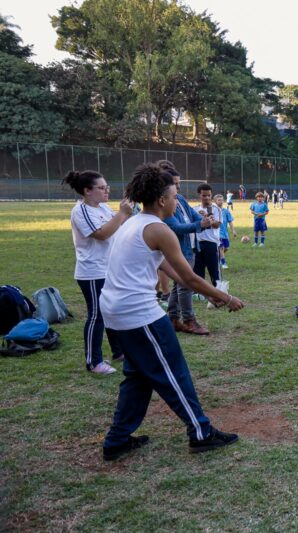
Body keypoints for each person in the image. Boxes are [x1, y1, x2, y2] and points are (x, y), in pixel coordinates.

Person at [99, 163, 245, 461]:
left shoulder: (135, 223)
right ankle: (201, 433)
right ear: (162, 200)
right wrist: (225, 297)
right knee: (173, 373)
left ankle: (117, 440)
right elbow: (190, 277)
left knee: (138, 376)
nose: (177, 201)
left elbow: (167, 267)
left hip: (116, 311)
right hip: (138, 314)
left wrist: (210, 293)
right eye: (175, 195)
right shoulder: (158, 229)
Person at [65, 170, 132, 375]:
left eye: (107, 187)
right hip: (92, 272)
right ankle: (93, 362)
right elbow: (102, 234)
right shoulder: (81, 211)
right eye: (101, 188)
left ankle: (119, 352)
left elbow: (119, 227)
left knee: (112, 310)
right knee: (97, 315)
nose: (106, 191)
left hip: (109, 269)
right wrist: (121, 214)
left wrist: (127, 213)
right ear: (87, 191)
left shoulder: (102, 207)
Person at [157, 160, 212, 336]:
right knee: (185, 285)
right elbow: (175, 227)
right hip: (178, 250)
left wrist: (204, 221)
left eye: (179, 184)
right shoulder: (165, 203)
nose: (179, 188)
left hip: (190, 247)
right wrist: (200, 224)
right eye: (176, 184)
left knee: (178, 286)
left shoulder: (179, 199)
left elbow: (193, 215)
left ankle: (173, 319)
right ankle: (189, 321)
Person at [193, 184, 222, 287]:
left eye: (209, 195)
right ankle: (199, 293)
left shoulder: (216, 209)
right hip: (198, 243)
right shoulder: (194, 209)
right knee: (197, 270)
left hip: (211, 243)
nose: (207, 198)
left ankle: (218, 291)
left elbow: (217, 225)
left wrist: (207, 218)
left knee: (214, 270)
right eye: (204, 195)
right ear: (199, 195)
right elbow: (191, 225)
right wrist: (199, 218)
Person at [214, 194, 236, 269]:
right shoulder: (214, 211)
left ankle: (219, 257)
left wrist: (233, 230)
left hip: (225, 233)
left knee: (226, 248)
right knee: (221, 248)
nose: (221, 201)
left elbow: (230, 222)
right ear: (215, 201)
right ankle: (223, 262)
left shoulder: (226, 211)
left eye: (221, 200)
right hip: (217, 233)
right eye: (219, 200)